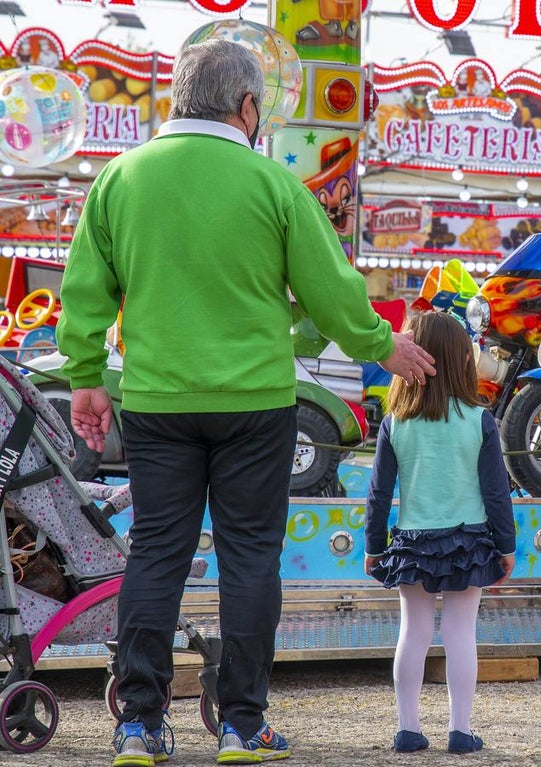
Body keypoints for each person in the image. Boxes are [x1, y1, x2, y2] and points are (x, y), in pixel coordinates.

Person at [56, 39, 435, 767]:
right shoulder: (273, 184)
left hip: (158, 401)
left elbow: (84, 291)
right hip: (258, 403)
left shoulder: (120, 178)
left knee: (157, 555)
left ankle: (138, 722)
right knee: (250, 560)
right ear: (247, 106)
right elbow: (330, 289)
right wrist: (382, 346)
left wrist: (83, 376)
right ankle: (241, 723)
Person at [363, 311, 516, 755]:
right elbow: (496, 492)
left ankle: (408, 730)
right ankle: (460, 731)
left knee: (412, 633)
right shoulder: (478, 418)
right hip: (469, 542)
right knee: (460, 634)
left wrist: (375, 547)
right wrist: (505, 546)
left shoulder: (396, 421)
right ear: (461, 360)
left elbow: (378, 494)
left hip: (413, 543)